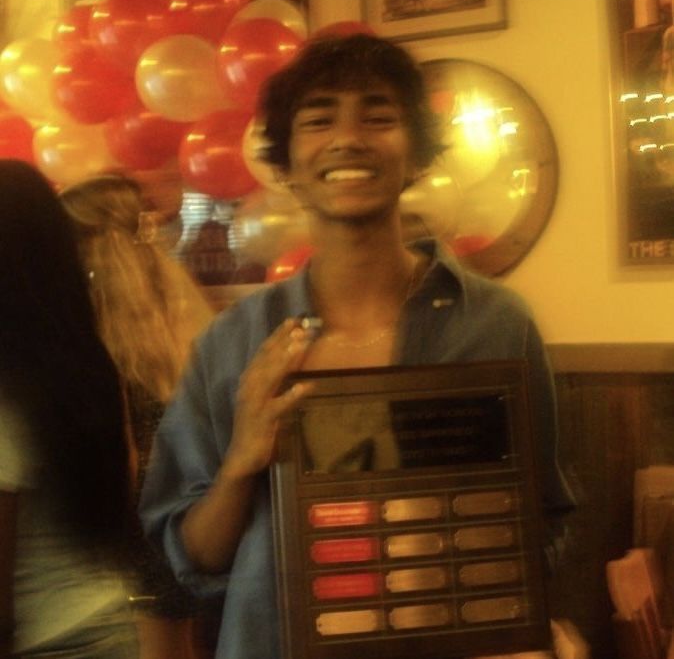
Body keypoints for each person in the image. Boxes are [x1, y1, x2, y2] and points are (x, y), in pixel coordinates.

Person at [139, 34, 576, 659]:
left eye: (378, 117)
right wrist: (242, 459)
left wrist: (515, 614)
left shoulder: (497, 324)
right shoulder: (232, 344)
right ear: (285, 165)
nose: (348, 138)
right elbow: (191, 557)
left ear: (418, 153)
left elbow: (543, 517)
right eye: (319, 120)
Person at [59, 174, 215, 659]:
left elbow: (118, 459)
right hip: (188, 519)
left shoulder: (97, 342)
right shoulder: (178, 310)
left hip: (134, 528)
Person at [0, 161, 138, 658]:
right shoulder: (87, 367)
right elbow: (125, 482)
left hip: (41, 640)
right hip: (109, 620)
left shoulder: (7, 391)